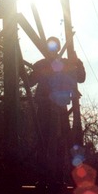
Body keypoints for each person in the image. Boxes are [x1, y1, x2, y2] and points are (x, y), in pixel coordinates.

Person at [29, 36, 86, 180]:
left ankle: (58, 177)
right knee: (42, 140)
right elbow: (29, 82)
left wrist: (77, 61)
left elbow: (81, 78)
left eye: (55, 47)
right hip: (44, 106)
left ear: (59, 48)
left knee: (60, 140)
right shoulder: (41, 64)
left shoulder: (65, 64)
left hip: (60, 108)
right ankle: (41, 176)